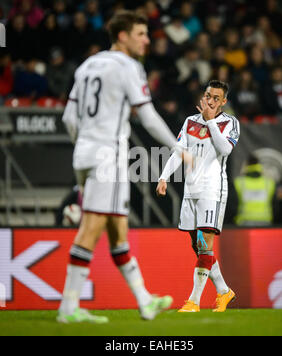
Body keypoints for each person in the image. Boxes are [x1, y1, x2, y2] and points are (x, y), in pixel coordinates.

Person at [58, 10, 192, 324]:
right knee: (90, 229)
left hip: (85, 152)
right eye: (141, 34)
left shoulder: (87, 64)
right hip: (108, 156)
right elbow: (147, 116)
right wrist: (177, 148)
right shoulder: (129, 67)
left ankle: (145, 300)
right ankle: (68, 306)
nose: (147, 40)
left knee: (118, 229)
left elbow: (67, 118)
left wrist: (84, 144)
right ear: (123, 36)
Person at [156, 80, 240, 312]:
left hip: (212, 190)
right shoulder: (190, 121)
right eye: (208, 96)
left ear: (223, 102)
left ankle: (194, 301)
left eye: (216, 98)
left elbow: (225, 150)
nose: (210, 101)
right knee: (199, 246)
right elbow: (179, 151)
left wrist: (211, 122)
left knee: (205, 245)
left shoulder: (229, 122)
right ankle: (224, 291)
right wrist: (164, 177)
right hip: (190, 191)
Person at [234, 155, 275, 226]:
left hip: (244, 222)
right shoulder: (269, 183)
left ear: (246, 165)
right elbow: (275, 205)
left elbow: (233, 205)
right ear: (259, 165)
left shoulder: (239, 182)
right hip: (265, 221)